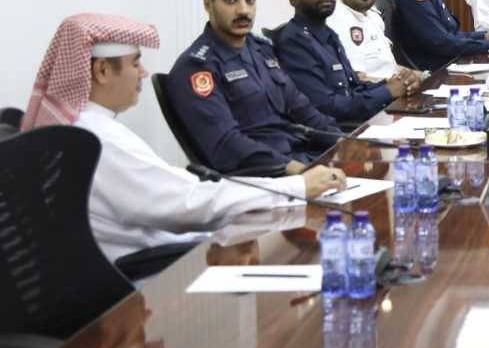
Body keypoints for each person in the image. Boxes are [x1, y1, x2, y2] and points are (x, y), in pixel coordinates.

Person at [21, 13, 345, 262]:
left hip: (169, 256)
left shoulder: (88, 129)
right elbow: (189, 204)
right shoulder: (97, 139)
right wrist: (297, 187)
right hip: (151, 279)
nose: (143, 73)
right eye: (136, 62)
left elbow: (178, 190)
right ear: (103, 71)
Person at [167, 0, 340, 175]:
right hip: (266, 176)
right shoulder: (197, 67)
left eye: (250, 0)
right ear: (208, 4)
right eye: (230, 0)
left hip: (303, 159)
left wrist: (346, 143)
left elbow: (303, 109)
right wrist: (298, 171)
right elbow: (226, 146)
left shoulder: (262, 50)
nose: (243, 10)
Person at [272, 0, 416, 125]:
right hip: (336, 134)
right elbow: (328, 106)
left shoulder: (327, 34)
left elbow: (354, 87)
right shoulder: (294, 42)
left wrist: (396, 84)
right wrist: (387, 92)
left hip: (358, 123)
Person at [328, 0, 420, 83]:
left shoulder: (373, 15)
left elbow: (389, 68)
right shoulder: (338, 20)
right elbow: (356, 79)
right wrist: (399, 85)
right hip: (375, 94)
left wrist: (421, 77)